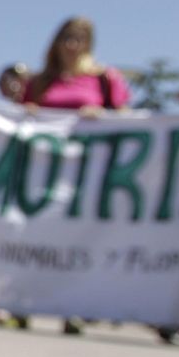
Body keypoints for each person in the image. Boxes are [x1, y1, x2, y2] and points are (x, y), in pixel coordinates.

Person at [21, 17, 129, 334]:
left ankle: (74, 307)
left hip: (86, 172)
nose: (72, 45)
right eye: (67, 38)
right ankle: (26, 301)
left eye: (79, 39)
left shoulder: (104, 78)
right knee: (37, 236)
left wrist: (102, 116)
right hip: (43, 171)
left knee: (77, 238)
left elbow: (125, 118)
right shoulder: (40, 81)